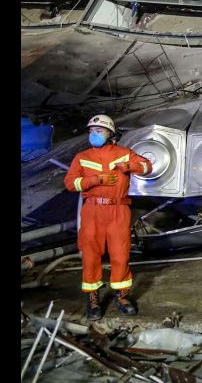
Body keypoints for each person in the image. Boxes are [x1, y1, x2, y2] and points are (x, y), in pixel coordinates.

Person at [64, 115, 153, 320]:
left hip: (118, 211)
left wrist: (130, 166)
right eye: (91, 131)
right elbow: (70, 183)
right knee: (90, 254)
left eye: (99, 131)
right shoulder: (82, 157)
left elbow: (148, 166)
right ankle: (93, 299)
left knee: (120, 254)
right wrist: (95, 180)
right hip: (92, 211)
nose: (94, 135)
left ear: (110, 134)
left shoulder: (123, 154)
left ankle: (122, 296)